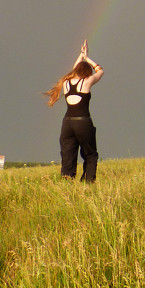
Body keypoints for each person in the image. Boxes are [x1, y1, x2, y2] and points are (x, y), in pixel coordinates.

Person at [44, 39, 104, 182]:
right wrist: (87, 58)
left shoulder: (66, 82)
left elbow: (73, 71)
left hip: (67, 124)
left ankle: (67, 180)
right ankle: (88, 182)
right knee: (90, 154)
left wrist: (81, 55)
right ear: (87, 72)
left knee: (67, 153)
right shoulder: (87, 81)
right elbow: (100, 71)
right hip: (83, 122)